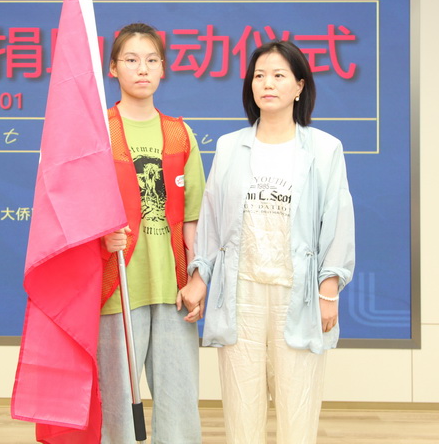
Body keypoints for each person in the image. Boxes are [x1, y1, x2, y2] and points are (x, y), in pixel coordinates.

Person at [185, 40, 355, 444]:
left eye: (279, 75)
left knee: (298, 407)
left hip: (297, 294)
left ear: (299, 86)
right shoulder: (229, 146)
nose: (267, 83)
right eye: (259, 75)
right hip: (240, 292)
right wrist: (199, 277)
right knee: (241, 408)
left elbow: (338, 219)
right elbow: (211, 218)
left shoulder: (325, 149)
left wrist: (329, 289)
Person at [98, 22, 206, 444]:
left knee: (179, 405)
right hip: (116, 289)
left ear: (163, 68)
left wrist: (197, 279)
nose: (142, 69)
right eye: (131, 59)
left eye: (151, 60)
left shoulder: (180, 133)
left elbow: (195, 220)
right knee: (117, 408)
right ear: (113, 68)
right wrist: (101, 235)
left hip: (172, 289)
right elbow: (75, 209)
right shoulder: (98, 131)